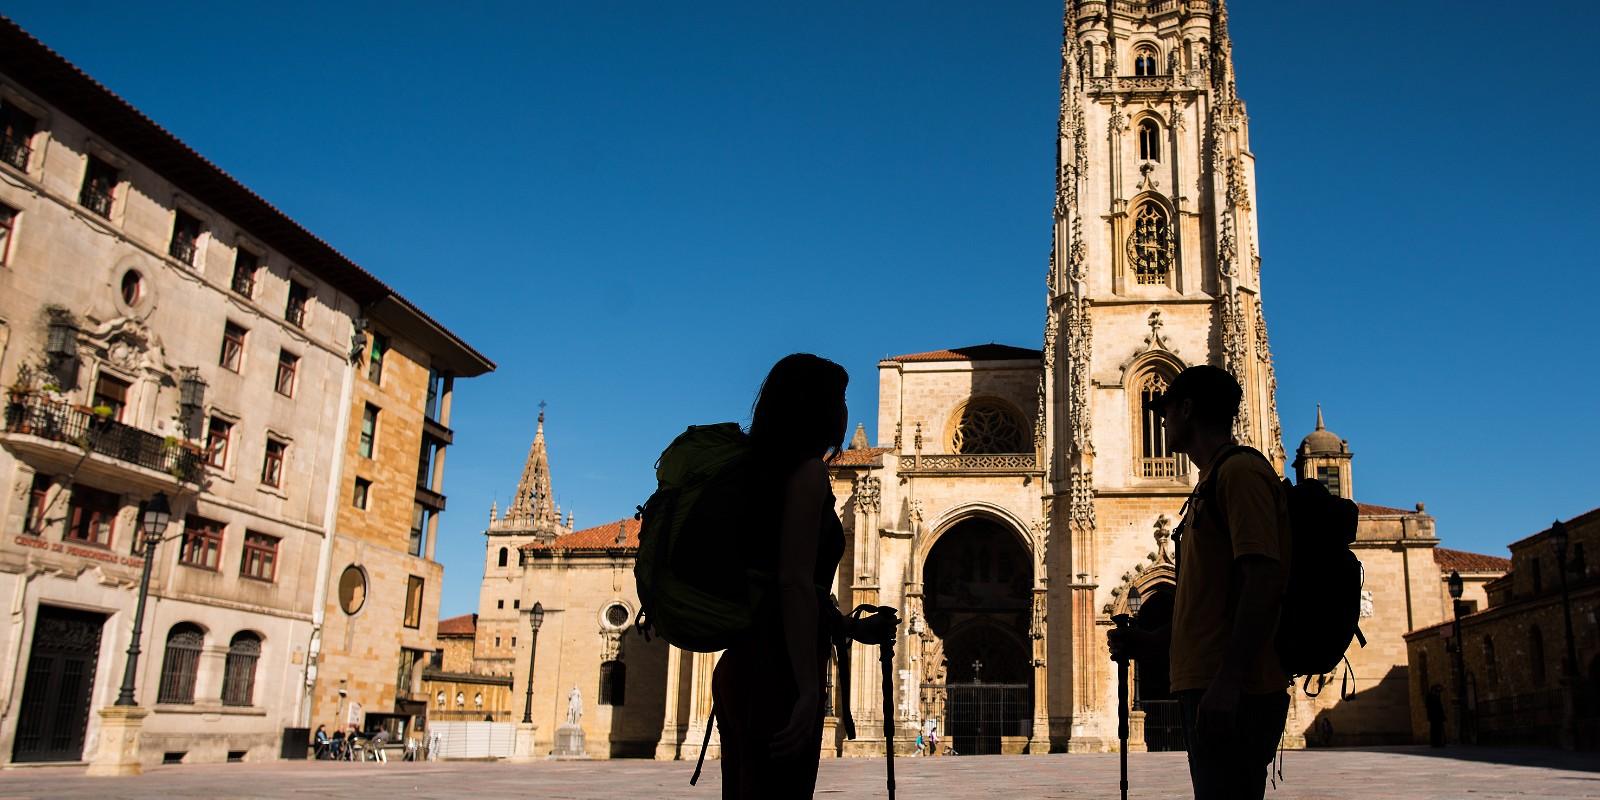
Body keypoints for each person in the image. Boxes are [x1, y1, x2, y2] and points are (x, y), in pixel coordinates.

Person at [710, 354, 896, 800]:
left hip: (741, 663)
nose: (847, 410)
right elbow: (792, 583)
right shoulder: (808, 472)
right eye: (841, 399)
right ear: (816, 408)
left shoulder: (753, 472)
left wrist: (848, 626)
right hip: (778, 671)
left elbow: (775, 581)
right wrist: (810, 689)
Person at [1107, 365, 1290, 800]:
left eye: (1166, 411)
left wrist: (1229, 679)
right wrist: (1151, 641)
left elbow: (1263, 580)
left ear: (1187, 410)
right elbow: (1209, 602)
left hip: (1233, 688)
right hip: (1206, 682)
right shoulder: (1209, 484)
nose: (1161, 422)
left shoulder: (1240, 473)